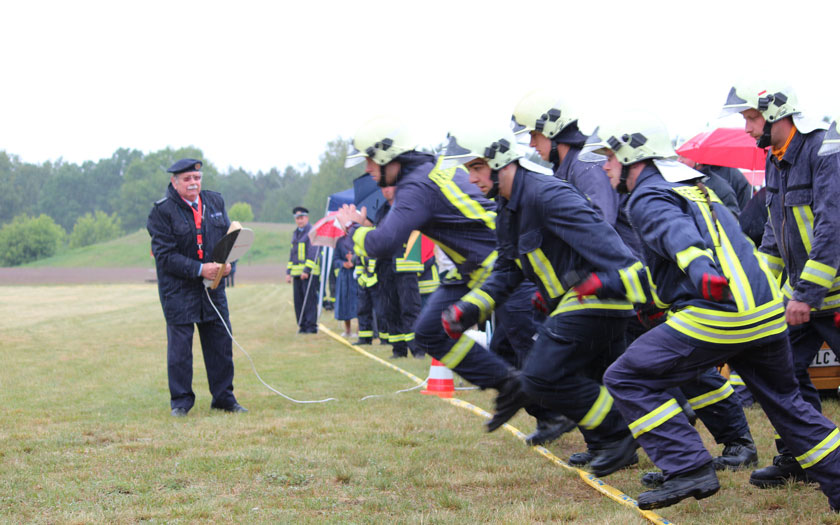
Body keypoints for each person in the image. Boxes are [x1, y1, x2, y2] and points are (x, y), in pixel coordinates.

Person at [579, 114, 840, 510]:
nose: (605, 166)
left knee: (626, 377)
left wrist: (702, 273)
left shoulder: (648, 196)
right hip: (767, 316)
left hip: (718, 312)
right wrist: (609, 285)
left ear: (634, 155)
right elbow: (671, 273)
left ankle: (687, 467)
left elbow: (678, 238)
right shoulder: (696, 187)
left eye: (610, 157)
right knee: (788, 405)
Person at [440, 125, 642, 476]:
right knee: (602, 381)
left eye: (475, 168)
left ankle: (618, 436)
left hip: (598, 299)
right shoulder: (508, 207)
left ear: (499, 160)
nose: (471, 180)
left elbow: (613, 249)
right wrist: (471, 306)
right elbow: (507, 268)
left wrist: (600, 283)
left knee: (541, 377)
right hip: (571, 303)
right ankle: (620, 441)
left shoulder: (547, 194)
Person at [336, 115, 527, 426]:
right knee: (429, 331)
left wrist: (350, 230)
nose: (367, 168)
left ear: (388, 154)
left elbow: (383, 243)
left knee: (533, 350)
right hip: (473, 271)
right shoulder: (426, 171)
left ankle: (602, 432)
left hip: (507, 266)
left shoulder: (416, 186)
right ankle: (510, 386)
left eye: (370, 160)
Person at [721, 83, 840, 488]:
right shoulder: (776, 158)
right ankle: (802, 455)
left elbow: (832, 227)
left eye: (752, 119)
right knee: (779, 373)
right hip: (802, 298)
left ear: (777, 114)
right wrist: (756, 289)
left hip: (829, 294)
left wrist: (806, 293)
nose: (748, 129)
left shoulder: (824, 150)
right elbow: (774, 235)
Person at [147, 158, 246, 417]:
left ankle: (224, 398)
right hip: (178, 290)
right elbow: (165, 256)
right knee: (180, 351)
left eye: (197, 178)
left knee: (220, 344)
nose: (194, 183)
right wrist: (200, 268)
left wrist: (227, 266)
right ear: (174, 182)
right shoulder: (162, 211)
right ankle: (181, 403)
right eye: (187, 179)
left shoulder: (215, 202)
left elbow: (227, 240)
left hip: (212, 289)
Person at [512, 89, 618, 225]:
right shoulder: (566, 169)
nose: (532, 144)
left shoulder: (585, 166)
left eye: (534, 135)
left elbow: (602, 225)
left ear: (551, 129)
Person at [286, 206, 320, 333]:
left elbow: (313, 252)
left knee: (309, 301)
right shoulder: (295, 233)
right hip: (296, 274)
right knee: (299, 301)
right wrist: (288, 273)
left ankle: (311, 326)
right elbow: (292, 255)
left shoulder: (312, 231)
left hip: (309, 274)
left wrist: (306, 270)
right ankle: (302, 325)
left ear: (307, 218)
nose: (299, 221)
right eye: (297, 218)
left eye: (301, 218)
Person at [332, 234, 358, 337]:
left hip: (356, 274)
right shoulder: (340, 241)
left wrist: (354, 260)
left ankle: (359, 330)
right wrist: (343, 264)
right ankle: (347, 330)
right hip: (344, 276)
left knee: (358, 301)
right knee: (345, 300)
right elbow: (335, 260)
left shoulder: (358, 239)